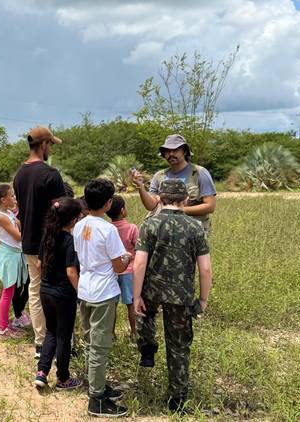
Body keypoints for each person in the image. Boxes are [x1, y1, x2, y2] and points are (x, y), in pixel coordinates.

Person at [132, 179, 213, 414]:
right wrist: (203, 299)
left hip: (152, 289)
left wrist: (136, 296)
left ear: (160, 198)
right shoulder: (195, 227)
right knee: (179, 346)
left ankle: (148, 347)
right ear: (186, 199)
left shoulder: (150, 224)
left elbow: (139, 263)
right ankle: (177, 399)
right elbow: (205, 268)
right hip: (181, 295)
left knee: (145, 313)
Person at [72, 179, 130, 418]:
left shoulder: (79, 225)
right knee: (100, 345)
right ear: (108, 203)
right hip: (103, 293)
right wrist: (127, 258)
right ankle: (96, 399)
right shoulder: (108, 230)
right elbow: (118, 266)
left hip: (85, 289)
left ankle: (96, 385)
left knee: (90, 342)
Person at [13, 126, 67, 358]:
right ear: (44, 144)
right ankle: (59, 341)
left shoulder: (19, 175)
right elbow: (62, 211)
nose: (50, 149)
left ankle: (41, 342)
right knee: (56, 291)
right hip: (50, 242)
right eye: (50, 145)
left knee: (35, 291)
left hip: (28, 242)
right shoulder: (51, 174)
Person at [34, 198, 84, 391]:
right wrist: (81, 293)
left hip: (46, 291)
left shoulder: (47, 236)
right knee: (63, 335)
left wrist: (48, 281)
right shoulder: (69, 240)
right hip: (63, 294)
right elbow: (71, 271)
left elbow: (39, 264)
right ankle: (63, 378)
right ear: (72, 220)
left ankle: (42, 372)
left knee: (51, 331)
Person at [132, 134, 216, 234]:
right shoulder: (159, 176)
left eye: (176, 150)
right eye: (167, 151)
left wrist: (179, 210)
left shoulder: (199, 173)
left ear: (185, 151)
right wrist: (140, 186)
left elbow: (210, 206)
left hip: (194, 231)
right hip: (165, 231)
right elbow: (151, 206)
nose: (171, 154)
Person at [0, 184, 27, 340]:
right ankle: (1, 330)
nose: (15, 198)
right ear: (3, 200)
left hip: (13, 255)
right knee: (7, 293)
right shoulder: (1, 216)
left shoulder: (8, 213)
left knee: (8, 292)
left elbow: (20, 226)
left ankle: (4, 324)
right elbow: (18, 236)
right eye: (12, 196)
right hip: (8, 257)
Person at [106, 195, 139, 338]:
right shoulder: (132, 228)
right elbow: (139, 249)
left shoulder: (107, 228)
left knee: (112, 305)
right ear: (122, 210)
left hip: (112, 271)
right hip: (129, 271)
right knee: (131, 304)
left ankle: (111, 333)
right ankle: (134, 333)